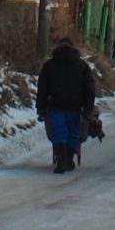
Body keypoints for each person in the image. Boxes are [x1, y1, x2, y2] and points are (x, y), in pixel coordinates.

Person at [36, 37, 100, 174]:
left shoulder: (49, 65)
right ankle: (69, 158)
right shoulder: (82, 66)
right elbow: (89, 88)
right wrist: (88, 107)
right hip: (75, 107)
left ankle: (61, 159)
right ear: (74, 48)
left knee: (59, 131)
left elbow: (42, 88)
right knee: (73, 132)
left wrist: (40, 107)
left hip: (55, 106)